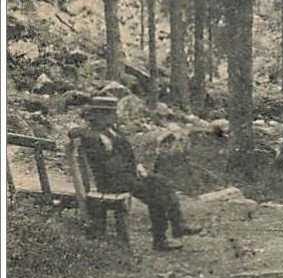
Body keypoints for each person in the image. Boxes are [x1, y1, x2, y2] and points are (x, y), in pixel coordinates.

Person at [67, 95, 202, 251]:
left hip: (126, 176)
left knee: (161, 182)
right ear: (97, 116)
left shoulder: (111, 131)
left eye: (113, 113)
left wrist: (137, 166)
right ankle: (162, 238)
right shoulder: (91, 134)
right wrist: (98, 136)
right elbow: (73, 132)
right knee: (157, 194)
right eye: (109, 114)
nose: (113, 117)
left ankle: (178, 225)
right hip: (111, 183)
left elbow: (126, 152)